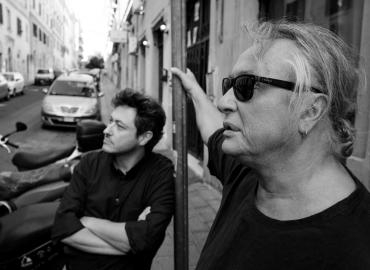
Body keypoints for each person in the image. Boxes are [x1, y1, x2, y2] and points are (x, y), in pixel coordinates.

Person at [171, 20, 370, 270]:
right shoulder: (247, 171)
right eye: (228, 86)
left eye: (245, 86)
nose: (223, 102)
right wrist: (194, 90)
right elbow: (212, 129)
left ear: (310, 110)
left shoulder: (356, 247)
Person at [52, 88, 175, 270]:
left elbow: (148, 238)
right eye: (110, 121)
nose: (107, 131)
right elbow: (63, 227)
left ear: (143, 137)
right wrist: (130, 244)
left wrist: (87, 221)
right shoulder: (88, 164)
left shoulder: (160, 173)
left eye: (120, 126)